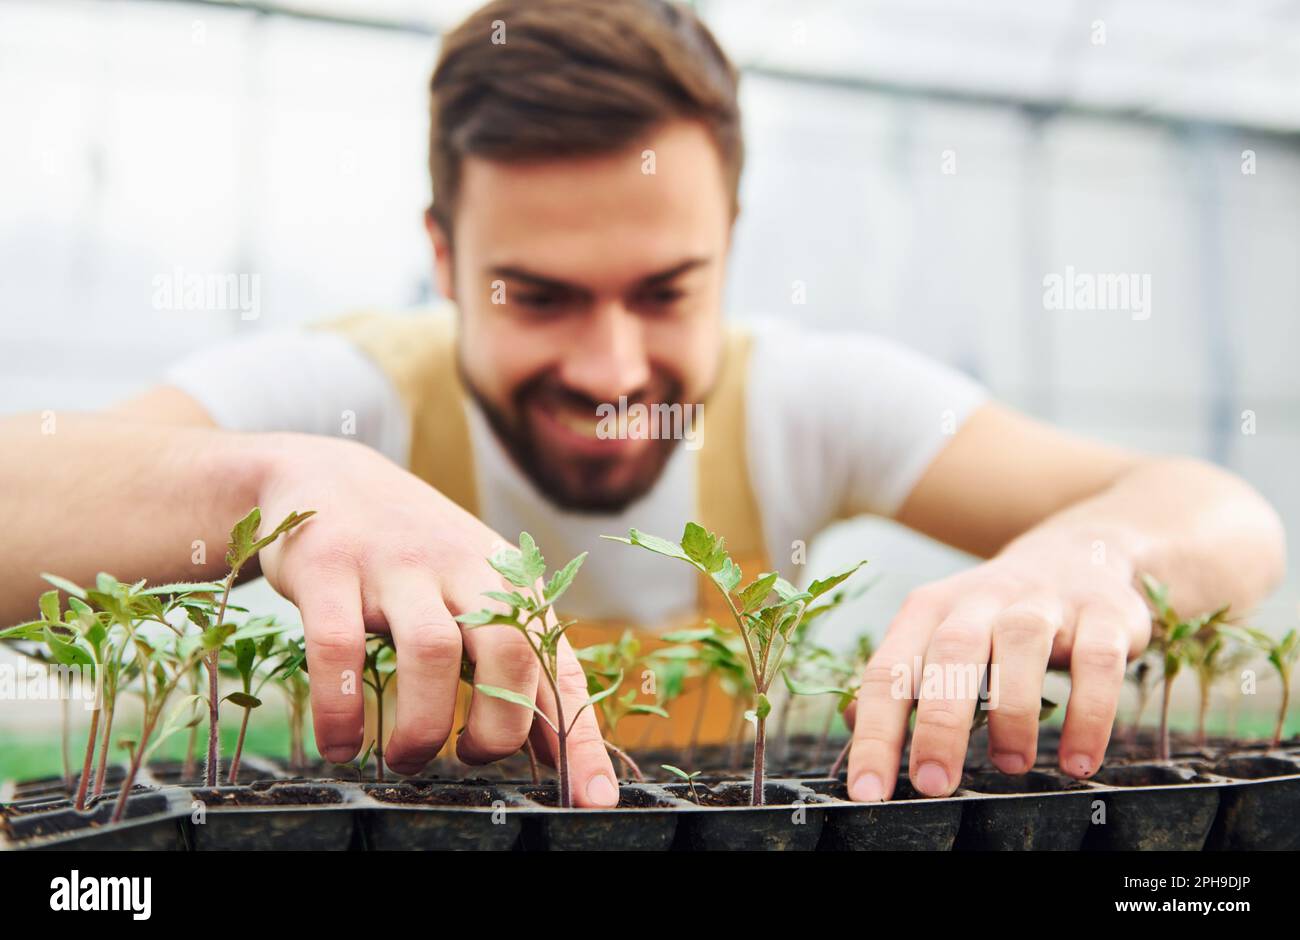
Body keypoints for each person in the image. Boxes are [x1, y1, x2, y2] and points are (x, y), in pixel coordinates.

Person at [0, 0, 1284, 807]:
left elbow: (1222, 515)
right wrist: (264, 486)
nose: (615, 371)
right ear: (444, 259)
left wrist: (1086, 552)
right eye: (539, 296)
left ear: (727, 240)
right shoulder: (343, 402)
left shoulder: (806, 398)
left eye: (668, 291)